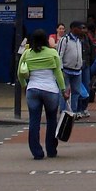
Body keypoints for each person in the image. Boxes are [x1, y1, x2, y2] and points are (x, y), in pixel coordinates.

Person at [18, 28, 68, 160]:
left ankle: (37, 152)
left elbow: (19, 73)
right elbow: (58, 73)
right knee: (52, 120)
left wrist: (24, 86)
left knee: (34, 121)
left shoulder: (27, 53)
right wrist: (63, 90)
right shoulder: (52, 53)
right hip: (50, 90)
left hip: (33, 88)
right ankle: (51, 149)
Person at [57, 20, 87, 112]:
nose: (82, 30)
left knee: (76, 92)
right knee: (64, 91)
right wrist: (60, 69)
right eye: (80, 28)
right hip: (66, 69)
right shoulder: (65, 39)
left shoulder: (79, 40)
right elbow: (59, 55)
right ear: (74, 29)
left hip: (77, 70)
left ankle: (73, 111)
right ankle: (63, 110)